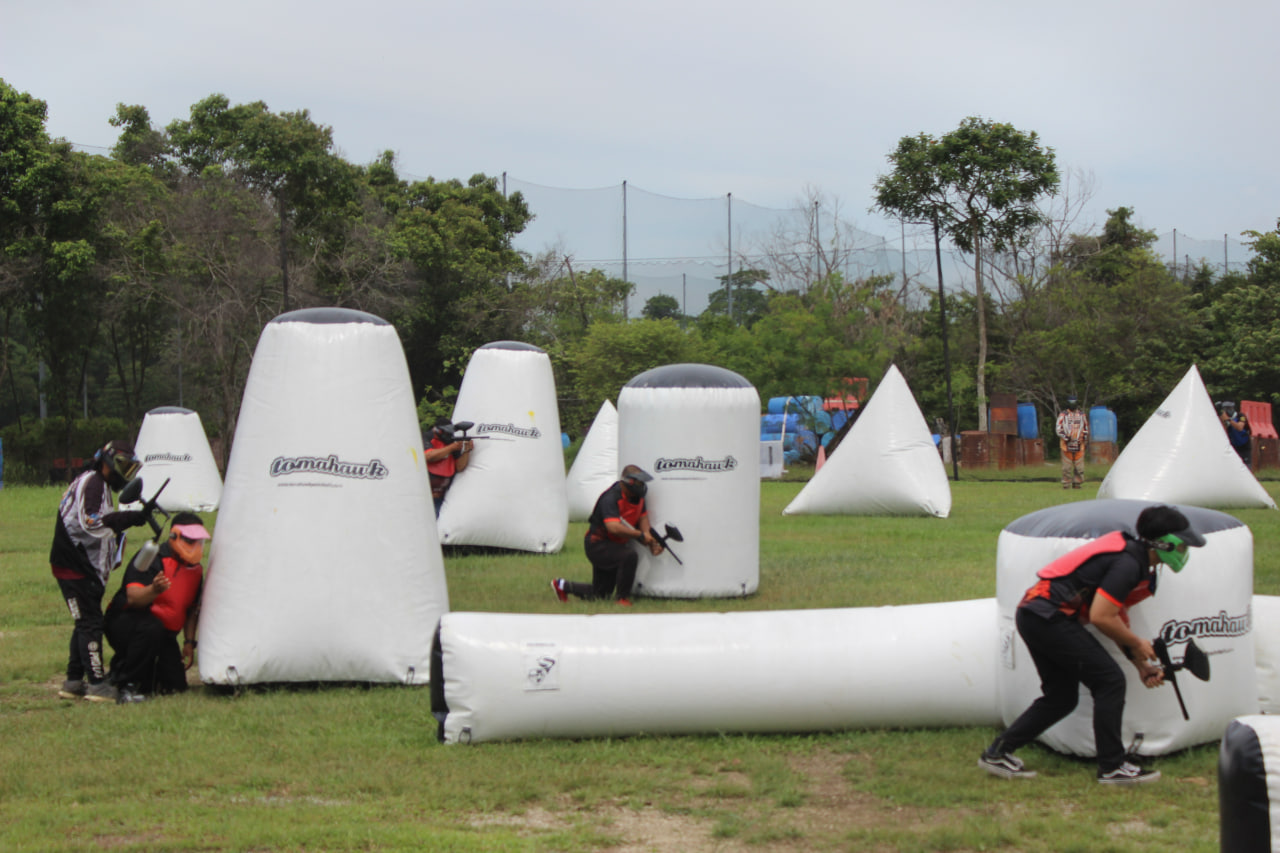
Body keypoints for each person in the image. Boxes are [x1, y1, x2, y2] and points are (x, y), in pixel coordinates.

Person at [978, 504, 1205, 785]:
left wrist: (1141, 665)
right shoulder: (1128, 563)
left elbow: (1116, 617)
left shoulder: (1131, 557)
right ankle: (1112, 766)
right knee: (1110, 681)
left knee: (1061, 698)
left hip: (1035, 614)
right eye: (1182, 545)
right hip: (1049, 617)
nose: (1184, 551)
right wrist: (1137, 643)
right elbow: (1101, 617)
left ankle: (998, 753)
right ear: (1163, 544)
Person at [50, 440, 147, 702]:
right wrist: (128, 519)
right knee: (90, 624)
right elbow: (91, 523)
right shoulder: (92, 483)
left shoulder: (97, 484)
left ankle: (73, 682)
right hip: (75, 567)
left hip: (80, 567)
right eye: (123, 468)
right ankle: (96, 684)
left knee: (84, 622)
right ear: (109, 463)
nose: (124, 476)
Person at [104, 512, 211, 703]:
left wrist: (189, 642)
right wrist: (154, 590)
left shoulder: (196, 571)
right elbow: (133, 598)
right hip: (124, 622)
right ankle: (127, 684)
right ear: (174, 536)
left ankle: (124, 670)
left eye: (199, 542)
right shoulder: (152, 557)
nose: (195, 547)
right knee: (151, 627)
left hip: (162, 634)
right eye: (189, 541)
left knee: (175, 686)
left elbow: (191, 610)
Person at [551, 465, 664, 607]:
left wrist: (652, 543)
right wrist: (640, 535)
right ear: (628, 482)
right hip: (597, 544)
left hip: (613, 546)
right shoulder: (610, 497)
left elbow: (644, 525)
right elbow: (613, 527)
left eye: (642, 483)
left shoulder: (639, 500)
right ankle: (622, 599)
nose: (642, 486)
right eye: (639, 483)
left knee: (601, 593)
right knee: (629, 556)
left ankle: (562, 585)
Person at [425, 418, 473, 516]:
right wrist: (452, 448)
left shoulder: (450, 442)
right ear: (438, 431)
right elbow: (428, 456)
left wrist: (466, 451)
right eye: (446, 433)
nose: (448, 436)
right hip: (424, 498)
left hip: (440, 498)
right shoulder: (426, 437)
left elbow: (459, 467)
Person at [1056, 396, 1089, 489]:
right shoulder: (1063, 415)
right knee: (1066, 467)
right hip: (1066, 446)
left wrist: (1083, 438)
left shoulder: (1082, 415)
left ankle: (1077, 484)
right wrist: (1066, 437)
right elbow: (1058, 429)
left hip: (1079, 445)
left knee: (1079, 467)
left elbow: (1086, 428)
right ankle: (1066, 484)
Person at [1218, 401, 1252, 468]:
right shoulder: (1223, 418)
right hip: (1233, 445)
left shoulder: (1241, 416)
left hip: (1244, 445)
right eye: (1225, 408)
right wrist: (1223, 420)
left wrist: (1228, 420)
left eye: (1229, 408)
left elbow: (1240, 428)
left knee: (1246, 466)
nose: (1228, 410)